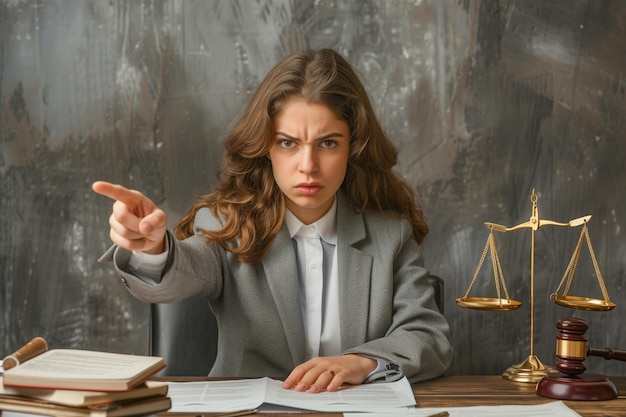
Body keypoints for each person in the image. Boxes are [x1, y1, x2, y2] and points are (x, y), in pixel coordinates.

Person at [93, 48, 452, 393]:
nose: (308, 166)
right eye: (288, 143)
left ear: (353, 145)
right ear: (266, 147)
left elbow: (428, 337)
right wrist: (153, 248)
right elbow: (182, 271)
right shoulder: (226, 224)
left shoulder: (390, 234)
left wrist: (362, 363)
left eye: (328, 144)